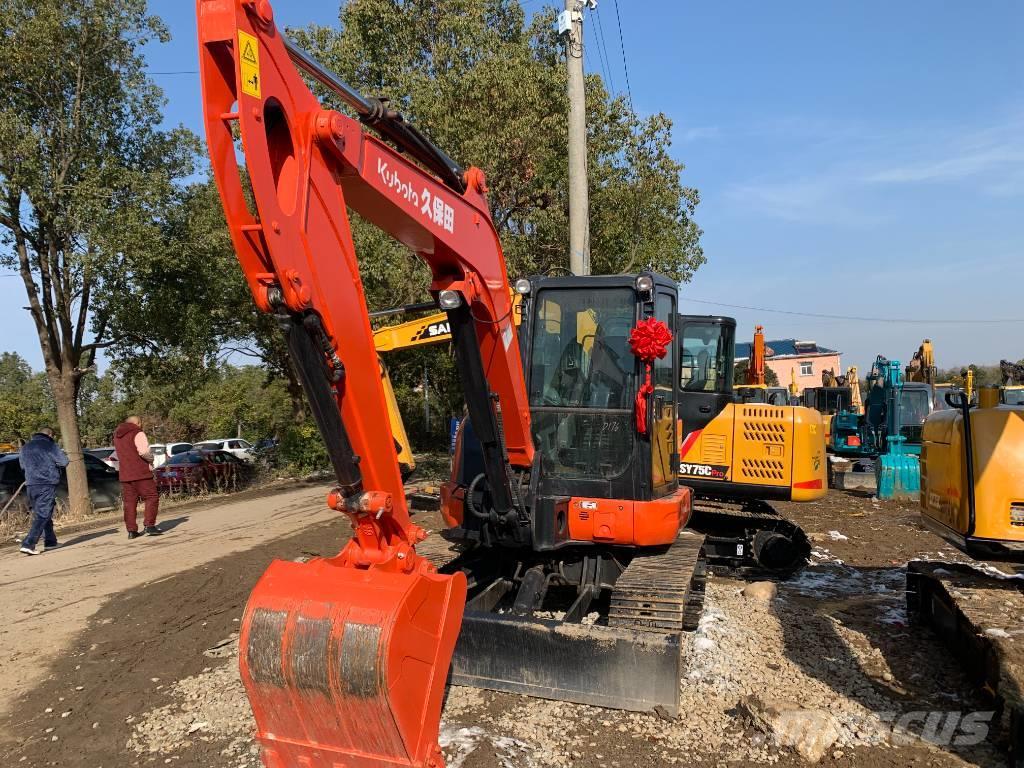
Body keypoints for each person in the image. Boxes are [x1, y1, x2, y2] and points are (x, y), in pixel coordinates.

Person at [17, 427, 69, 555]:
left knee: (42, 513)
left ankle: (50, 542)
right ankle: (29, 543)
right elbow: (64, 462)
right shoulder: (50, 445)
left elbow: (22, 466)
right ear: (50, 435)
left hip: (31, 484)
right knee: (43, 514)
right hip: (46, 483)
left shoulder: (26, 447)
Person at [113, 416, 162, 538]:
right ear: (138, 423)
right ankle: (149, 525)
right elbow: (144, 452)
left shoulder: (117, 436)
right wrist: (151, 460)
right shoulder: (137, 433)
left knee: (129, 503)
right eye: (141, 423)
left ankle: (131, 530)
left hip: (125, 475)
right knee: (151, 497)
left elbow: (115, 456)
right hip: (141, 472)